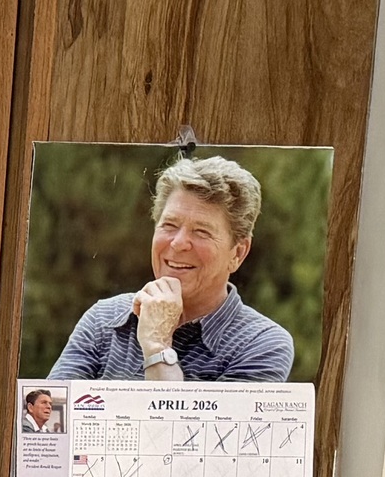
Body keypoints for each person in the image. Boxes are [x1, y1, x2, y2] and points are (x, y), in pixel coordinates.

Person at [48, 155, 293, 383]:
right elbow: (49, 424)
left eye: (201, 232)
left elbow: (188, 430)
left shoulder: (262, 344)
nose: (177, 243)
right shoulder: (103, 320)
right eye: (169, 225)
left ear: (238, 253)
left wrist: (157, 346)